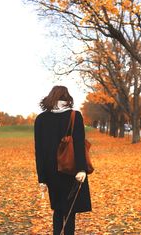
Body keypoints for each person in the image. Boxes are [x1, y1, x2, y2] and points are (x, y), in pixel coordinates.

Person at [34, 85, 92, 235]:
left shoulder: (40, 119)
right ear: (67, 98)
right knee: (69, 211)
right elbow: (79, 144)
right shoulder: (75, 116)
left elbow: (39, 151)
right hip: (71, 169)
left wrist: (42, 178)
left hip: (51, 171)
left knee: (58, 209)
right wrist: (81, 169)